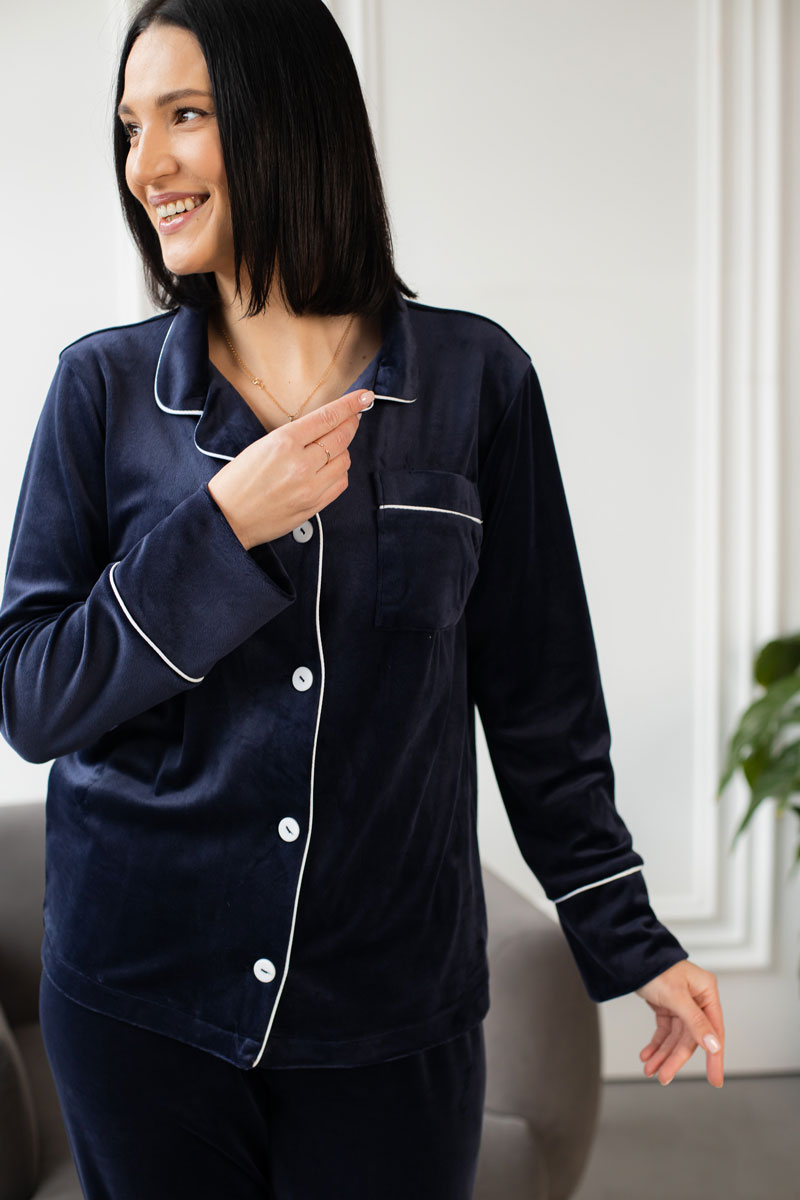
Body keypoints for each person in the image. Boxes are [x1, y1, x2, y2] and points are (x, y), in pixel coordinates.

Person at [0, 0, 725, 1196]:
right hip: (140, 1004)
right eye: (130, 127)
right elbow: (32, 694)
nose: (144, 164)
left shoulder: (476, 383)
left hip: (390, 1016)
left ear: (289, 117)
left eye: (184, 115)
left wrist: (625, 935)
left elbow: (538, 700)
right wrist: (221, 530)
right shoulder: (100, 391)